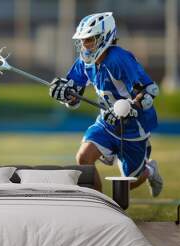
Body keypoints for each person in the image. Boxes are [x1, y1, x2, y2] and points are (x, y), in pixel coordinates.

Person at [49, 12, 163, 196]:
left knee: (127, 185)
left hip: (133, 128)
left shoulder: (119, 59)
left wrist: (126, 108)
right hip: (107, 123)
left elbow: (149, 92)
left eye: (89, 39)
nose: (84, 45)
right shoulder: (85, 63)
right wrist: (64, 94)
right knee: (83, 158)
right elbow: (75, 96)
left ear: (104, 37)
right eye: (83, 40)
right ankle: (100, 207)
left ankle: (149, 170)